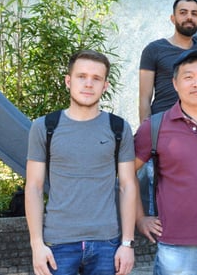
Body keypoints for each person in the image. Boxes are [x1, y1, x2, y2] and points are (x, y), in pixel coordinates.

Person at [25, 50, 137, 275]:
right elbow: (34, 187)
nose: (88, 84)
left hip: (107, 243)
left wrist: (127, 244)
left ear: (105, 86)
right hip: (58, 244)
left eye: (96, 79)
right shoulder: (45, 127)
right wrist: (37, 245)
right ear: (68, 81)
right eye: (81, 76)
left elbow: (127, 186)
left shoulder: (119, 128)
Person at [134, 49, 197, 274]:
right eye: (188, 77)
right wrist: (140, 218)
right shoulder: (154, 127)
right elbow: (125, 174)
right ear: (175, 83)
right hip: (177, 245)